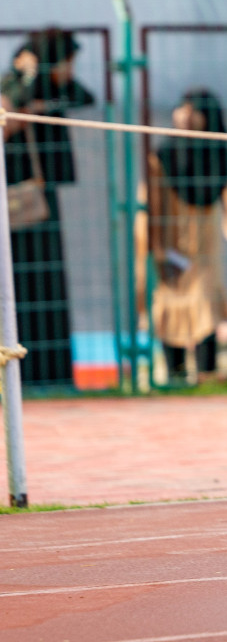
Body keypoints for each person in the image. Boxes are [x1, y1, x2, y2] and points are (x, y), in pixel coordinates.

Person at [135, 88, 227, 383]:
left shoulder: (219, 156)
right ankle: (175, 376)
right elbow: (149, 204)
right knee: (168, 306)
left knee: (206, 306)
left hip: (205, 246)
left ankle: (207, 375)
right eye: (182, 108)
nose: (186, 115)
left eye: (195, 110)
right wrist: (155, 245)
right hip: (168, 242)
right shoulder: (163, 154)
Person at [1, 29, 95, 387]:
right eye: (67, 62)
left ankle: (54, 372)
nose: (69, 70)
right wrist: (29, 77)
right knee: (19, 287)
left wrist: (40, 101)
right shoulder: (13, 81)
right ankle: (24, 375)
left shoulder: (56, 89)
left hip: (42, 199)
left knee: (50, 286)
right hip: (15, 203)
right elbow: (8, 108)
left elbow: (85, 96)